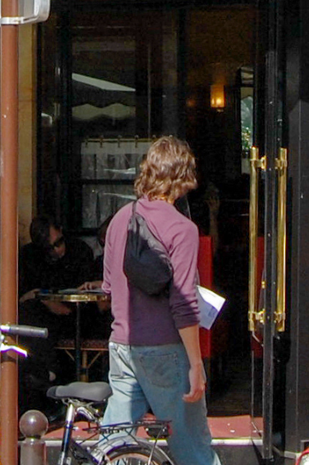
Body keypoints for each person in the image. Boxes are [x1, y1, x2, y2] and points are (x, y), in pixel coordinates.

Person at [99, 138, 214, 465]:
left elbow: (108, 288)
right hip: (166, 349)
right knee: (193, 447)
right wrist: (195, 364)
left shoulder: (120, 220)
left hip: (122, 344)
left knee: (114, 443)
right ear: (183, 178)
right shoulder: (182, 229)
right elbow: (184, 303)